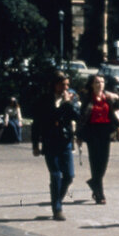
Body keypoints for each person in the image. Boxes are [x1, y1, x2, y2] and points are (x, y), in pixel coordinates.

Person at [32, 72, 81, 221]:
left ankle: (57, 200)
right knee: (55, 175)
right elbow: (39, 122)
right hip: (50, 141)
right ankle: (57, 209)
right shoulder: (45, 100)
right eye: (62, 84)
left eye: (67, 84)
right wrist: (35, 144)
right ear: (55, 84)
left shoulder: (71, 99)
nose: (66, 88)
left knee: (69, 176)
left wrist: (68, 104)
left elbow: (77, 116)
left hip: (65, 141)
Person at [79, 74, 119, 205]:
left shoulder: (107, 98)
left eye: (102, 82)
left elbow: (113, 113)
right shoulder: (87, 99)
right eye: (97, 82)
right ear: (92, 84)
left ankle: (94, 183)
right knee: (95, 162)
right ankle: (99, 194)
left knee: (103, 163)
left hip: (105, 132)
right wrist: (79, 135)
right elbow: (82, 118)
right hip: (92, 132)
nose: (100, 84)